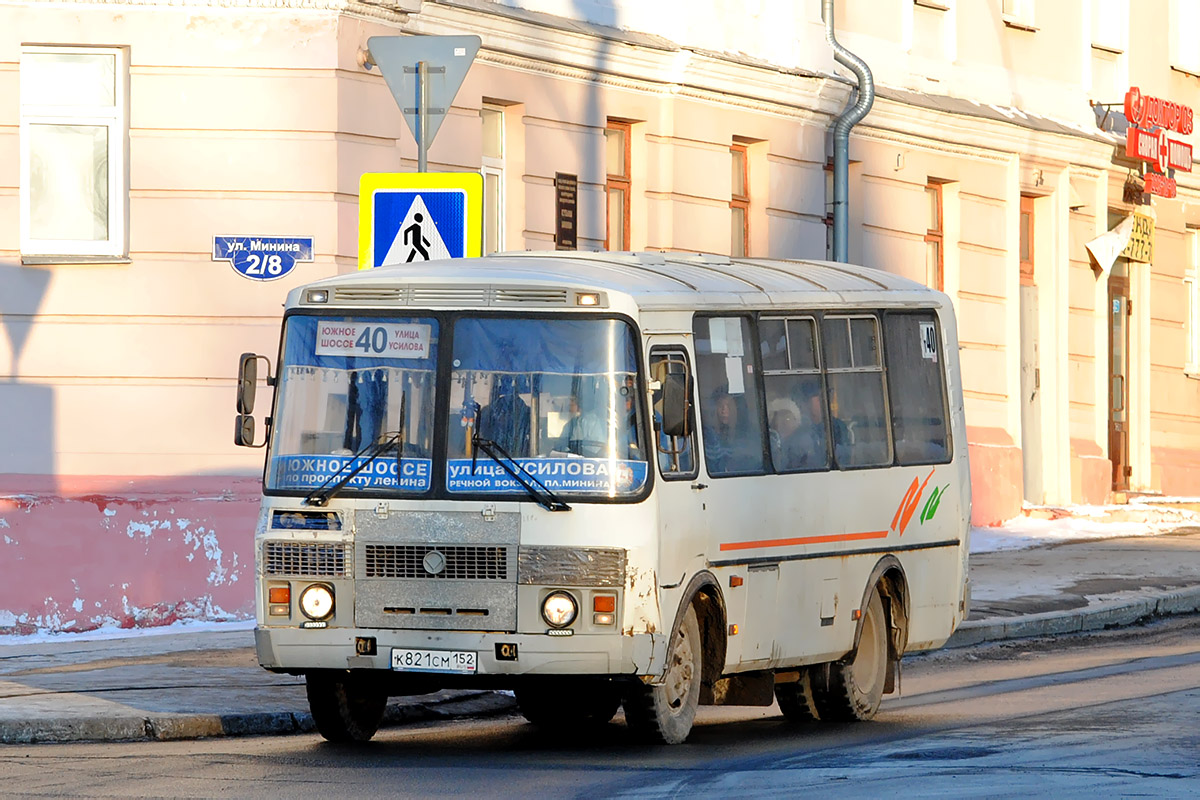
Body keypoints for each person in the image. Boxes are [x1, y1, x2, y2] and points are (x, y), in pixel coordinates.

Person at [703, 389, 757, 474]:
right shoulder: (709, 436)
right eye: (721, 406)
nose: (724, 410)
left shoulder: (747, 435)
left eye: (728, 406)